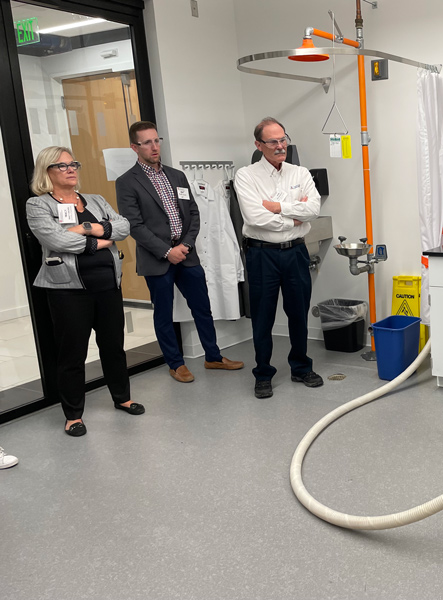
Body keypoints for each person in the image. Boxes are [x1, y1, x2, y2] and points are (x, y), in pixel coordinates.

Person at [26, 146, 142, 437]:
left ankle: (122, 398)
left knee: (113, 347)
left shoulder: (95, 199)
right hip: (68, 291)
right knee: (72, 354)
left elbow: (123, 227)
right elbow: (56, 240)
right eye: (62, 165)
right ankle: (73, 414)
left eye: (73, 164)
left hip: (107, 286)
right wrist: (100, 239)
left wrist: (86, 227)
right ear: (47, 172)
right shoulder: (38, 205)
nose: (71, 169)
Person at [116, 121, 244, 383]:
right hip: (157, 259)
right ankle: (175, 363)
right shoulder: (127, 182)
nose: (154, 146)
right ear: (134, 147)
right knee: (164, 313)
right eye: (147, 142)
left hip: (187, 255)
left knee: (202, 307)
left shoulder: (177, 176)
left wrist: (185, 245)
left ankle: (213, 356)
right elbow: (134, 225)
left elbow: (193, 214)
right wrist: (166, 251)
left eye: (156, 140)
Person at [234, 117, 323, 399]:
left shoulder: (300, 173)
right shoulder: (246, 176)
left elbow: (314, 210)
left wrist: (278, 208)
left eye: (283, 139)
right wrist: (294, 217)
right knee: (262, 317)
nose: (280, 145)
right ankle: (263, 374)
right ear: (259, 144)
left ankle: (300, 367)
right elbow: (254, 217)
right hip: (262, 254)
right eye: (273, 141)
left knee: (298, 312)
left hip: (295, 252)